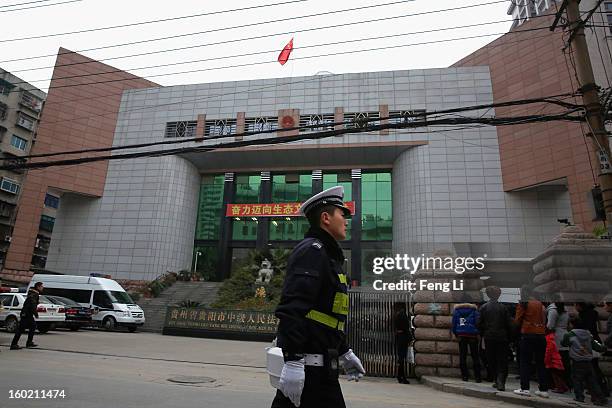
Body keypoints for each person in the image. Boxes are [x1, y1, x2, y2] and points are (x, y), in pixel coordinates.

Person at [271, 186, 365, 408]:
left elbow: (325, 315)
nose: (346, 221)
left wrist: (344, 351)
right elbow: (293, 308)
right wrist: (293, 361)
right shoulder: (312, 251)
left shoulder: (329, 257)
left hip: (322, 369)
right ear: (326, 218)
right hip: (309, 370)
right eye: (342, 214)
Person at [562, 319, 608, 405]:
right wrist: (604, 347)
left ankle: (579, 397)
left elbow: (564, 343)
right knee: (592, 381)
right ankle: (601, 398)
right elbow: (597, 347)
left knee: (576, 379)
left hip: (577, 361)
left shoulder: (570, 335)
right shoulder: (589, 335)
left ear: (573, 325)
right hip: (588, 361)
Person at [513, 287, 549, 398]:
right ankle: (543, 389)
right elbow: (544, 320)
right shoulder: (540, 304)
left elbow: (517, 321)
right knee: (540, 362)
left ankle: (525, 388)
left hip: (527, 334)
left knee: (525, 362)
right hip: (541, 335)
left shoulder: (523, 304)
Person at [477, 286, 512, 391]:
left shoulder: (483, 307)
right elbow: (509, 324)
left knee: (491, 359)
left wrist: (483, 332)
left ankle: (497, 381)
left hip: (489, 337)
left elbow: (479, 323)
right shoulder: (503, 308)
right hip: (502, 337)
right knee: (502, 360)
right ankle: (501, 381)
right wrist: (509, 337)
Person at [576, 302, 609, 397]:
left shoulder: (584, 315)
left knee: (591, 368)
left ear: (580, 306)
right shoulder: (593, 313)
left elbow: (585, 328)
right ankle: (602, 389)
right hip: (595, 341)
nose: (575, 306)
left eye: (576, 304)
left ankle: (597, 390)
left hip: (588, 343)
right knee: (594, 367)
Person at [451, 302, 481, 382]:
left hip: (461, 335)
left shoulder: (457, 311)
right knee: (475, 356)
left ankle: (465, 376)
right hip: (473, 335)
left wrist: (455, 333)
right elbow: (478, 323)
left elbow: (454, 323)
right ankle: (477, 377)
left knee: (462, 355)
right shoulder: (474, 311)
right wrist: (478, 332)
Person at [546, 302, 571, 392]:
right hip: (564, 336)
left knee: (555, 363)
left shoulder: (552, 310)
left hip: (555, 338)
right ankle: (566, 383)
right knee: (564, 362)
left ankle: (558, 385)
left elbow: (550, 326)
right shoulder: (566, 311)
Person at [11, 282, 43, 350]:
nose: (42, 288)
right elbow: (32, 304)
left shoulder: (33, 293)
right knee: (21, 329)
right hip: (26, 313)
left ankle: (29, 342)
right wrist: (36, 313)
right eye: (41, 286)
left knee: (33, 326)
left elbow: (32, 303)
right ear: (38, 287)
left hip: (27, 313)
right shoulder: (34, 294)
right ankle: (14, 344)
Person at [393, 302, 412, 384]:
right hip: (403, 337)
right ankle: (401, 376)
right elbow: (406, 328)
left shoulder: (396, 315)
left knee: (400, 357)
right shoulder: (403, 315)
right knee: (402, 358)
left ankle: (400, 376)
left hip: (399, 337)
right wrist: (410, 338)